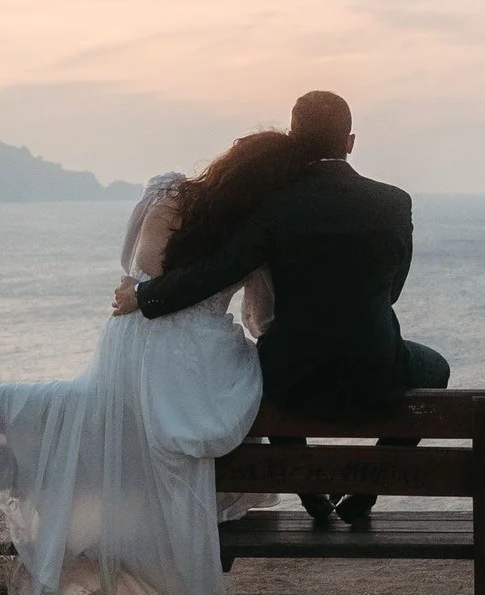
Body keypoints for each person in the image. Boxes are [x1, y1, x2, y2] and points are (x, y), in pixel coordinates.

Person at [0, 162, 269, 595]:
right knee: (214, 410)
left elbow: (129, 265)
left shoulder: (165, 194)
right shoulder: (256, 224)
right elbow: (262, 316)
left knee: (126, 431)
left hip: (127, 351)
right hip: (192, 371)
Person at [116, 90, 448, 529]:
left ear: (293, 137)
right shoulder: (393, 202)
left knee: (260, 366)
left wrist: (147, 296)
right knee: (436, 369)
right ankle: (366, 489)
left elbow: (217, 272)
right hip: (375, 368)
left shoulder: (273, 205)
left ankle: (309, 487)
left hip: (291, 377)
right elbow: (393, 292)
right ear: (349, 142)